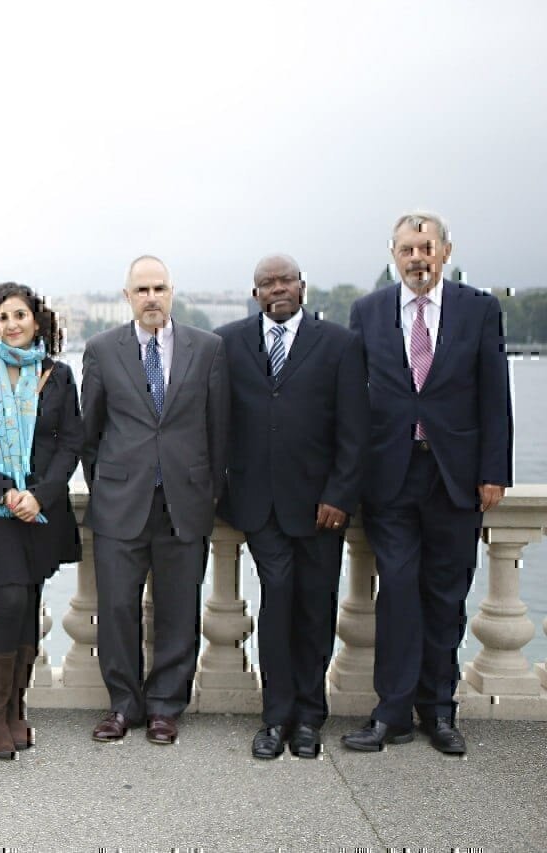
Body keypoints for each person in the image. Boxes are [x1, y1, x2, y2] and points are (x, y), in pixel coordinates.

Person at [342, 211, 512, 755]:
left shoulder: (479, 309)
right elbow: (350, 402)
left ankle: (439, 712)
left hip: (456, 478)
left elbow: (494, 395)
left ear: (445, 251)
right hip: (389, 475)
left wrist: (494, 472)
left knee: (445, 597)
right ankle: (390, 713)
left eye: (426, 248)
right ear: (394, 255)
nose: (417, 258)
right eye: (407, 250)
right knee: (395, 593)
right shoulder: (368, 312)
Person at [216, 254, 369, 759]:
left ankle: (310, 717)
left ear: (302, 286)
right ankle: (275, 718)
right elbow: (219, 423)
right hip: (258, 505)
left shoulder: (341, 345)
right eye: (266, 283)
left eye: (285, 280)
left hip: (322, 507)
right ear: (255, 292)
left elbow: (354, 429)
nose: (276, 289)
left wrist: (341, 495)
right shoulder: (230, 342)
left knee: (316, 608)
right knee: (276, 602)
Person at [80, 255, 228, 746]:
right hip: (120, 503)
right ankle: (123, 706)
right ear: (127, 297)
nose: (151, 297)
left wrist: (209, 493)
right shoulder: (102, 350)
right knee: (118, 609)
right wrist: (107, 484)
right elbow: (90, 432)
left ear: (172, 293)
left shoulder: (207, 349)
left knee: (178, 609)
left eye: (159, 288)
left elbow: (218, 430)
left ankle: (166, 707)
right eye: (141, 289)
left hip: (184, 504)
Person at [0, 283, 83, 758]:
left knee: (30, 604)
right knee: (9, 599)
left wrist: (40, 496)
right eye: (3, 317)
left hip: (41, 511)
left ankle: (16, 710)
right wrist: (5, 489)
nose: (12, 324)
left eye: (20, 315)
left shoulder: (59, 376)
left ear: (37, 320)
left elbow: (71, 444)